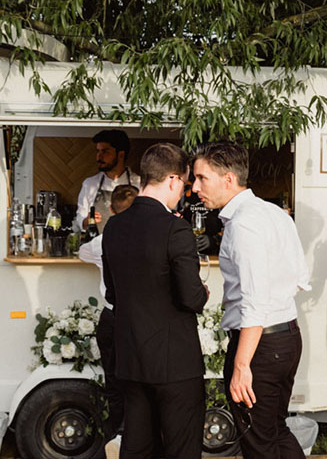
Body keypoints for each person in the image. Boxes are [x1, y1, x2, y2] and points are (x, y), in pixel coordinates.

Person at [191, 141, 311, 459]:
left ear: (228, 179)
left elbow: (255, 301)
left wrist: (242, 365)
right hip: (286, 336)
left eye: (202, 178)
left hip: (260, 348)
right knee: (274, 431)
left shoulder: (243, 224)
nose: (195, 187)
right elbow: (301, 277)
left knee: (258, 443)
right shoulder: (274, 213)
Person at [102, 143, 209, 459]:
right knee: (181, 450)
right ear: (173, 180)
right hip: (175, 364)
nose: (184, 192)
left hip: (132, 360)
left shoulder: (114, 226)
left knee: (137, 448)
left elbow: (112, 293)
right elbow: (192, 298)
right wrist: (203, 291)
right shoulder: (176, 228)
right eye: (185, 184)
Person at [77, 184, 138, 445]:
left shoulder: (103, 241)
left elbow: (82, 253)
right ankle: (134, 436)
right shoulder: (150, 237)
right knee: (137, 382)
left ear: (111, 209)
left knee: (113, 382)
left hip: (112, 318)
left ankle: (116, 435)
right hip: (139, 321)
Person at [73, 129, 141, 233]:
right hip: (97, 243)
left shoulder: (139, 184)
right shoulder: (90, 184)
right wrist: (86, 221)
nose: (99, 156)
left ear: (121, 154)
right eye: (98, 151)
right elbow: (80, 217)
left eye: (105, 151)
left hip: (129, 243)